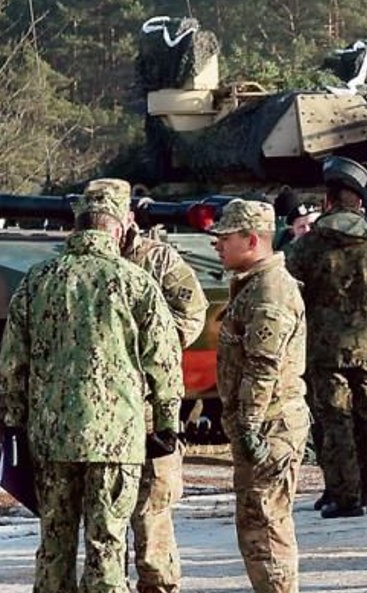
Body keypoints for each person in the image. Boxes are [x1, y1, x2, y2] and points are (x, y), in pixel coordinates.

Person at [0, 178, 183, 593]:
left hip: (51, 438)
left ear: (76, 226)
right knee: (107, 545)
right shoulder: (136, 283)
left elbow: (13, 362)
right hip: (117, 439)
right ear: (117, 228)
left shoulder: (36, 281)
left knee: (54, 543)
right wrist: (167, 424)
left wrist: (16, 420)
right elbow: (164, 361)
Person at [286, 156, 367, 518]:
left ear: (328, 202)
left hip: (326, 350)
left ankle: (345, 496)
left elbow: (290, 274)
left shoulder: (310, 245)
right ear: (358, 201)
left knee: (336, 421)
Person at [211, 199, 309, 593]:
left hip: (269, 426)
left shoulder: (268, 293)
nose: (218, 245)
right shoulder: (253, 285)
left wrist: (249, 425)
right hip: (265, 424)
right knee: (260, 526)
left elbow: (263, 366)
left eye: (225, 237)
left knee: (265, 531)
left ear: (251, 239)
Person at [121, 203, 209, 593]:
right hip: (106, 404)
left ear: (128, 220)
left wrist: (155, 344)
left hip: (151, 398)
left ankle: (158, 582)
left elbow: (193, 310)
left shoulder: (157, 258)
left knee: (153, 502)